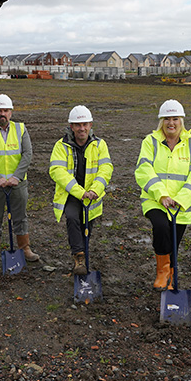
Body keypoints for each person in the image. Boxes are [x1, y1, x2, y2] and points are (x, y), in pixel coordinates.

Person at [135, 99, 191, 291]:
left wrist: (181, 199)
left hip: (181, 204)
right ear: (161, 122)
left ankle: (171, 275)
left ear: (181, 121)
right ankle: (163, 272)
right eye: (167, 119)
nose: (171, 123)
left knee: (174, 241)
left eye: (175, 119)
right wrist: (162, 195)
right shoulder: (150, 142)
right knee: (161, 227)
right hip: (155, 200)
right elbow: (144, 170)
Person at [49, 105, 113, 275]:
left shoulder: (100, 145)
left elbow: (106, 169)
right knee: (72, 218)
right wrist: (79, 192)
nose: (82, 128)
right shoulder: (61, 146)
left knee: (86, 228)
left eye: (85, 124)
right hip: (71, 194)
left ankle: (82, 258)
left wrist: (95, 190)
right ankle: (79, 259)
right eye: (78, 125)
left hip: (92, 195)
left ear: (90, 125)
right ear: (71, 126)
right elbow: (57, 171)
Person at [0, 94, 39, 264]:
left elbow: (27, 154)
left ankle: (24, 248)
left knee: (20, 216)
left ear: (11, 112)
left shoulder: (21, 129)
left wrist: (16, 177)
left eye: (5, 110)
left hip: (17, 184)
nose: (2, 114)